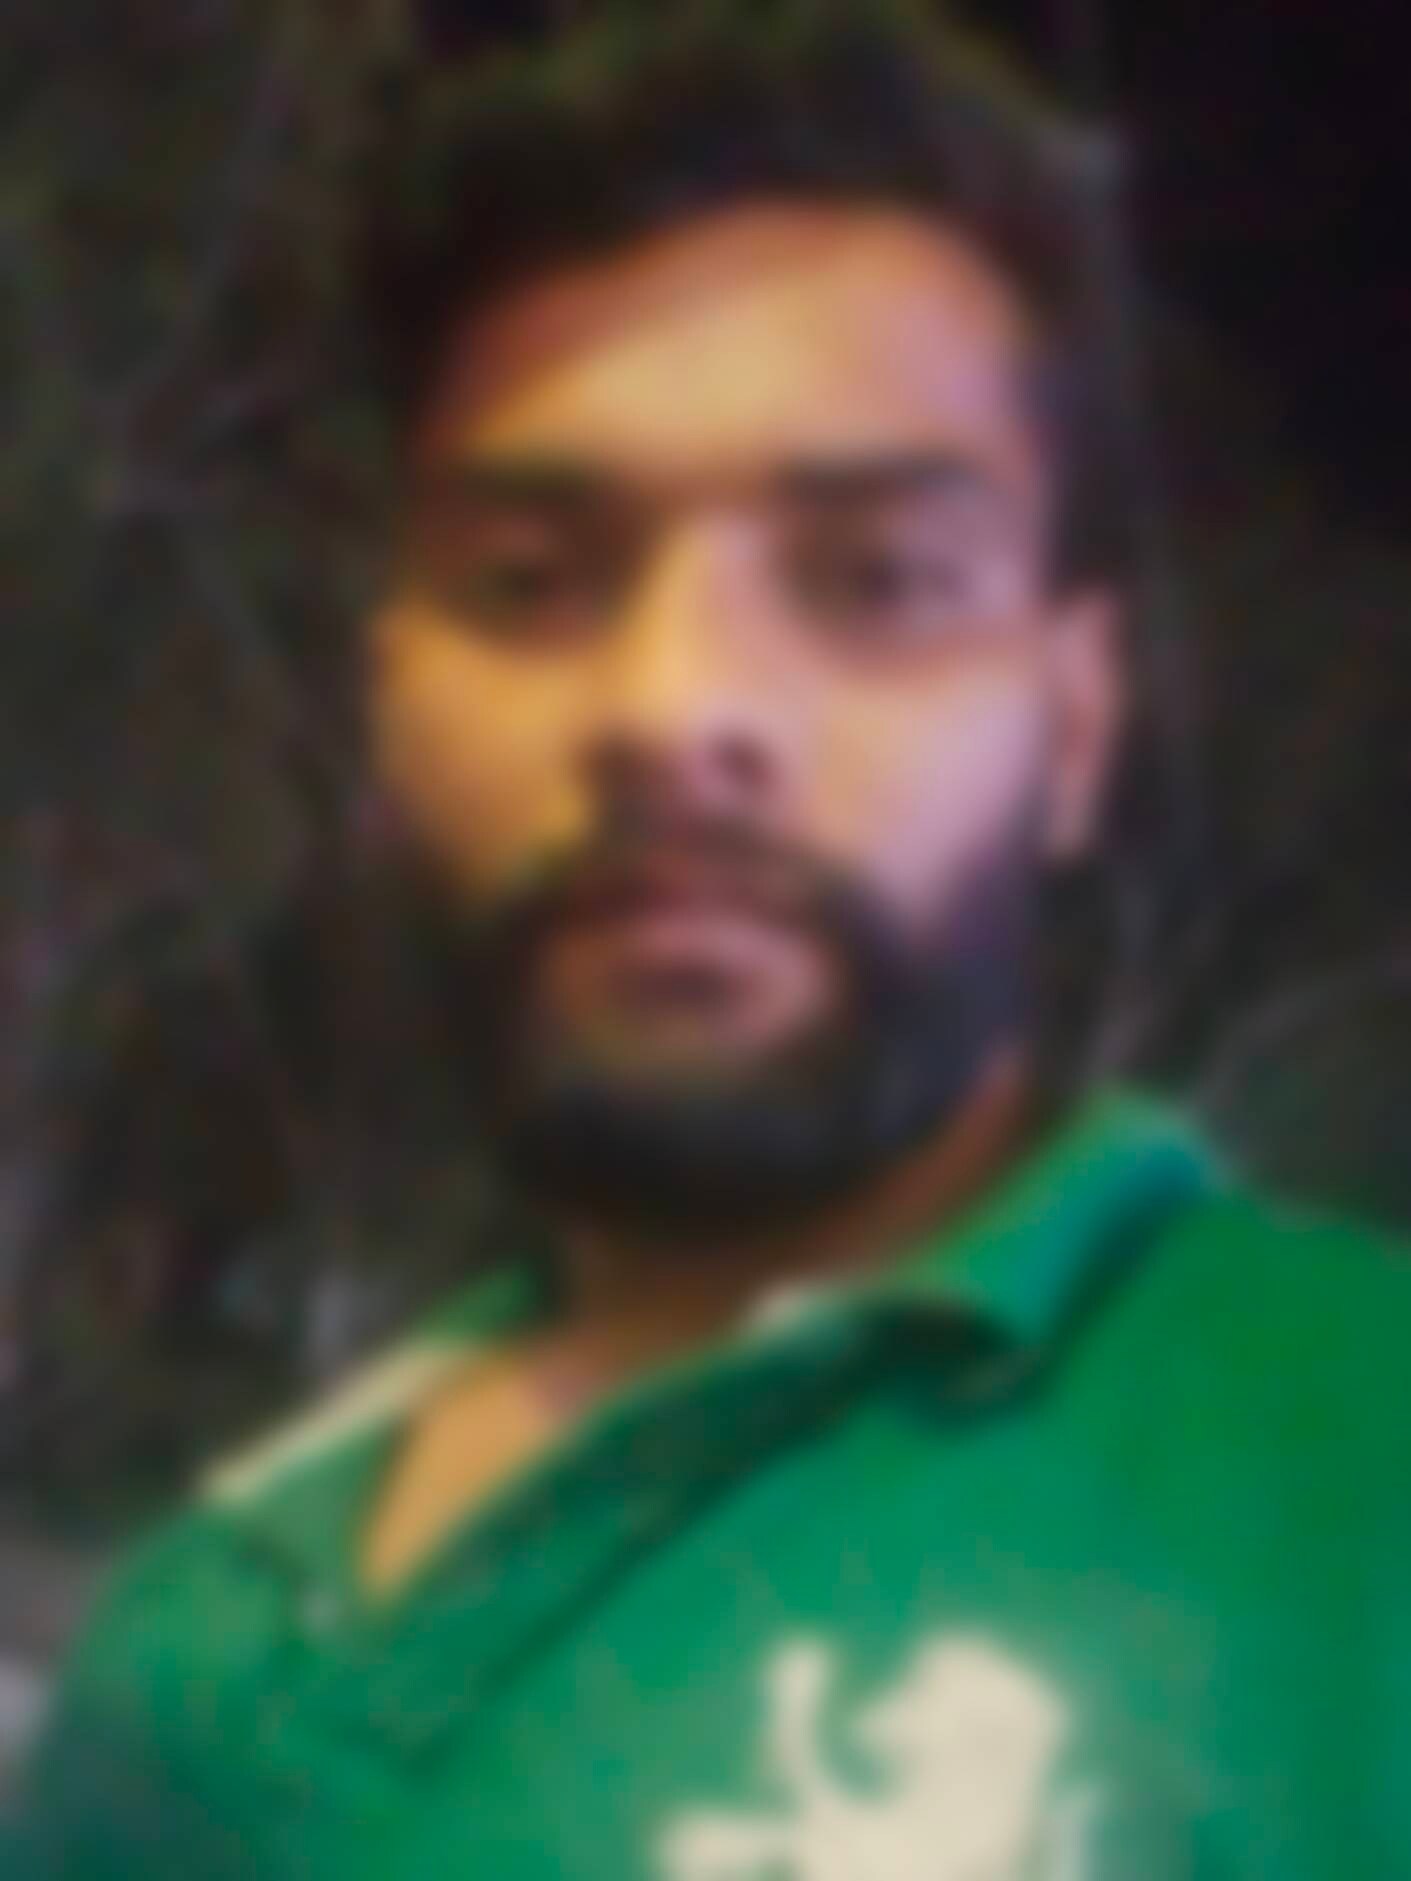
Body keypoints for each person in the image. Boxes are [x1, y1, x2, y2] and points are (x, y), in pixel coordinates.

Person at [11, 5, 1411, 1876]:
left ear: (1073, 731)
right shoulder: (177, 1654)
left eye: (876, 580)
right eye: (531, 582)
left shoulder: (1356, 1469)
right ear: (390, 698)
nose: (674, 709)